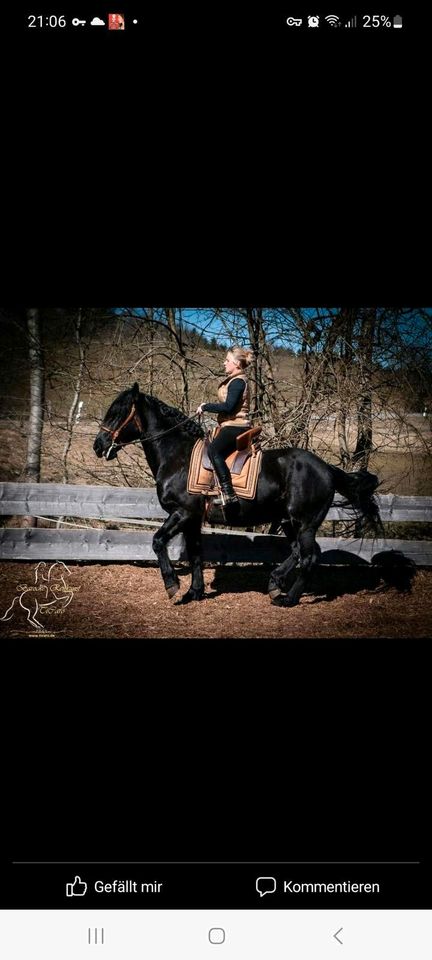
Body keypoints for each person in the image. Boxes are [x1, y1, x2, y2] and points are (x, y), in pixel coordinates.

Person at [196, 346, 253, 509]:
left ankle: (229, 493)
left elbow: (228, 407)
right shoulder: (236, 380)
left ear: (236, 364)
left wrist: (206, 406)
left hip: (237, 426)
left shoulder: (237, 382)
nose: (224, 363)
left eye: (227, 360)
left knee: (214, 451)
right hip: (230, 424)